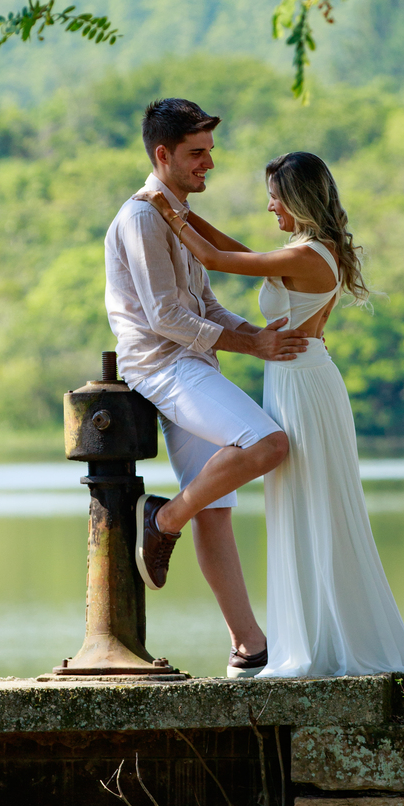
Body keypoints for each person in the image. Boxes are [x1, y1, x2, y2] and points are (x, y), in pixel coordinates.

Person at [140, 150, 404, 678]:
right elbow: (242, 252)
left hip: (304, 385)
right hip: (299, 379)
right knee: (299, 503)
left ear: (296, 199)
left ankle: (322, 642)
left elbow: (220, 261)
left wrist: (165, 208)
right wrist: (181, 209)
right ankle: (312, 632)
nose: (270, 206)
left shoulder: (310, 254)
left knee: (311, 503)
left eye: (275, 197)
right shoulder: (307, 250)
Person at [104, 97, 311, 678]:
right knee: (269, 445)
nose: (208, 166)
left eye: (210, 153)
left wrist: (253, 333)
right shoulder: (144, 216)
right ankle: (165, 520)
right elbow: (167, 316)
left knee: (215, 508)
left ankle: (249, 649)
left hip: (193, 363)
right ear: (162, 154)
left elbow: (205, 303)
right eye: (197, 155)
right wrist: (252, 346)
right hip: (164, 367)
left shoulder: (176, 215)